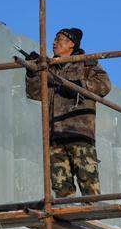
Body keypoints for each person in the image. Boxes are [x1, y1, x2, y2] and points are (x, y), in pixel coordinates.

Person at [17, 27, 111, 198]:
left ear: (71, 44)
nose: (54, 43)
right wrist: (33, 73)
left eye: (59, 39)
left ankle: (92, 211)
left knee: (88, 182)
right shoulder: (50, 68)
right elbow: (36, 93)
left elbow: (104, 85)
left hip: (79, 131)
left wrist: (78, 86)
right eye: (55, 39)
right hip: (55, 134)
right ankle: (68, 210)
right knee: (61, 186)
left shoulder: (86, 64)